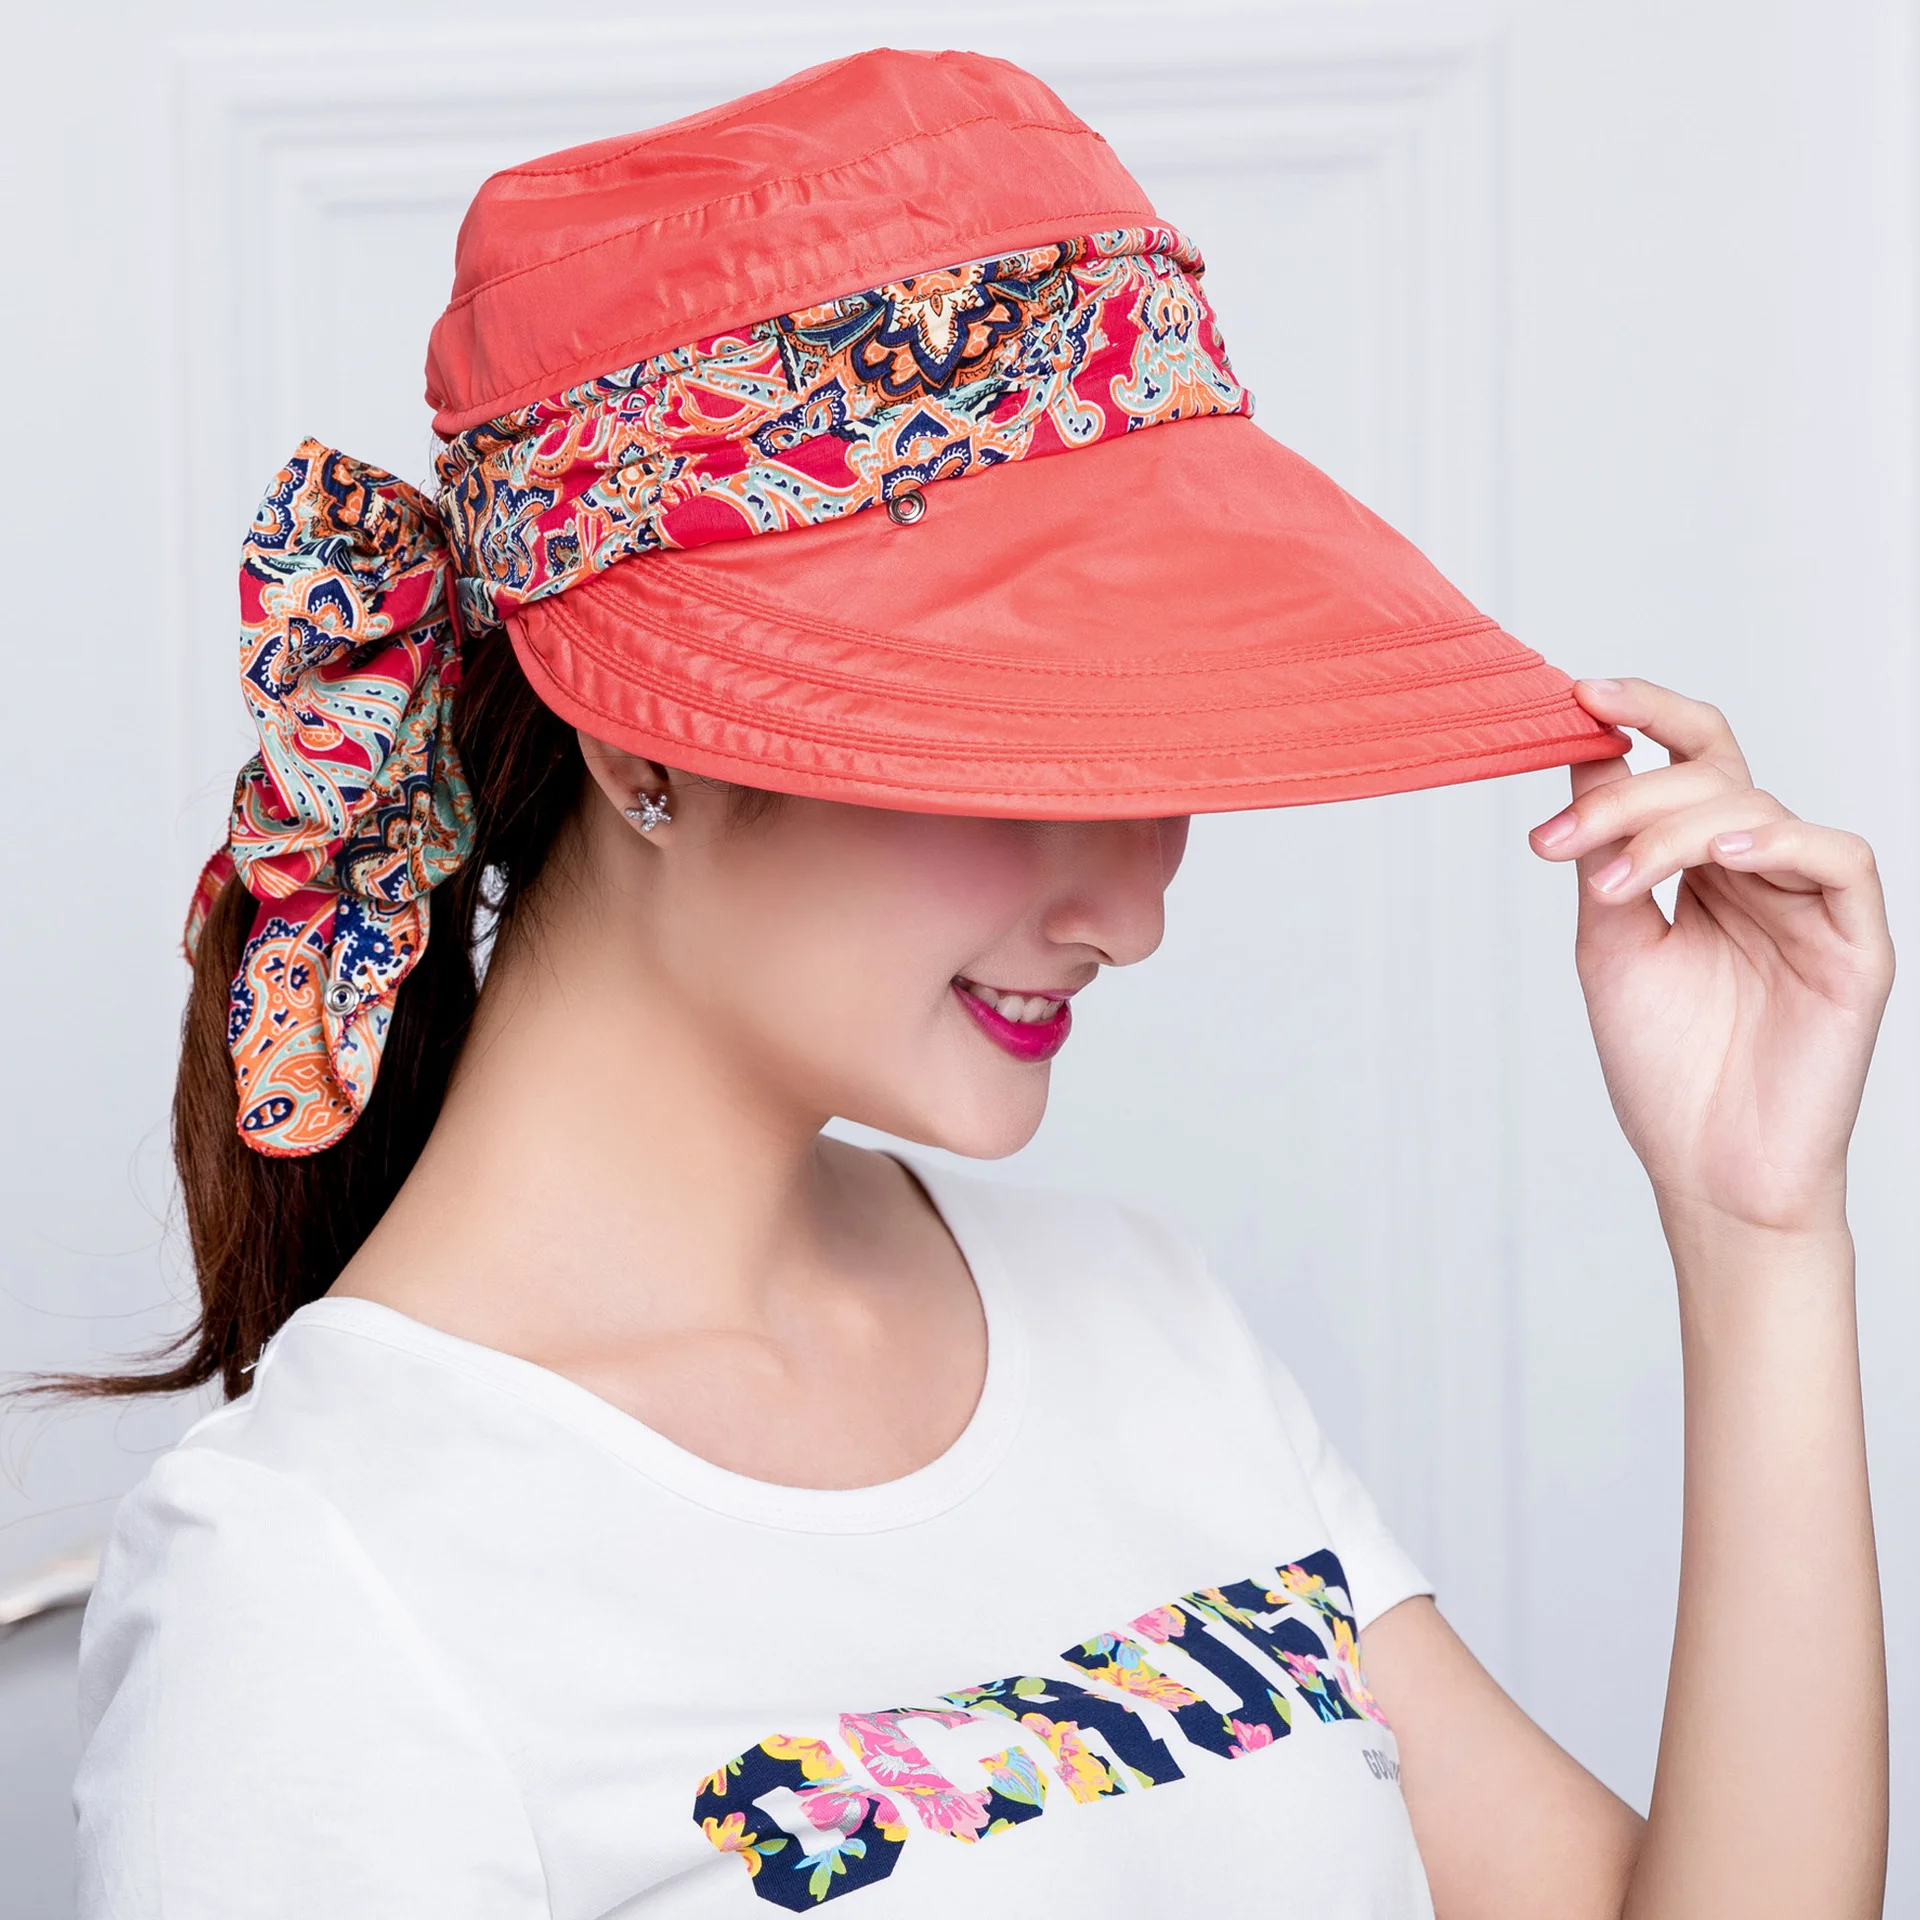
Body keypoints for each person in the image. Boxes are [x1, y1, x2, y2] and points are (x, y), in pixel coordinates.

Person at [66, 48, 1888, 1920]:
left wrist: (1755, 1229)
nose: (1135, 911)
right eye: (1023, 754)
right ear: (644, 742)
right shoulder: (318, 1587)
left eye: (1162, 750)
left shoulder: (1134, 1323)